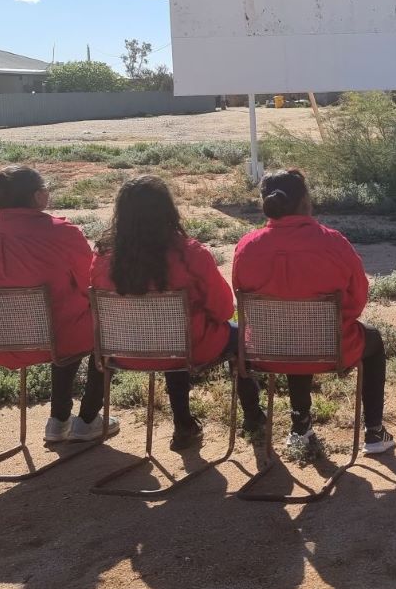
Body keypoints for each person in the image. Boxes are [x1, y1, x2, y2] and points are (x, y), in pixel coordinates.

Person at [90, 175, 265, 451]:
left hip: (125, 350)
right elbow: (222, 309)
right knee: (237, 336)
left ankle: (185, 423)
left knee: (173, 338)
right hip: (189, 348)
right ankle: (254, 417)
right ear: (168, 211)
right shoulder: (190, 254)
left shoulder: (103, 258)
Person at [231, 169, 395, 455]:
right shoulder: (332, 243)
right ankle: (374, 431)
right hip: (330, 346)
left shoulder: (246, 247)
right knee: (372, 340)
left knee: (292, 332)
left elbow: (238, 297)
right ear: (305, 199)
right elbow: (358, 298)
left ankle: (299, 424)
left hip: (267, 348)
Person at [0, 165, 117, 443]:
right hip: (52, 339)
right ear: (37, 197)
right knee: (104, 326)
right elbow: (90, 284)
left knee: (65, 322)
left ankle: (59, 421)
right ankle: (87, 419)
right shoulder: (61, 231)